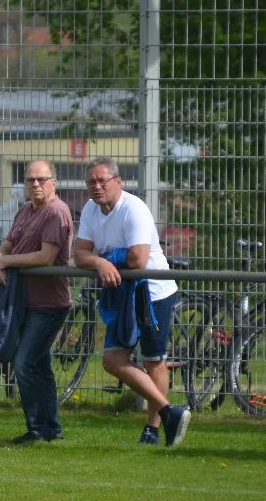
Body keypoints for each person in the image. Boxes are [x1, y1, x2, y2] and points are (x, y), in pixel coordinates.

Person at [73, 156, 190, 447]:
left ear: (118, 182)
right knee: (113, 360)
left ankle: (152, 429)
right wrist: (100, 263)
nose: (97, 186)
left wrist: (105, 257)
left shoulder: (134, 208)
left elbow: (138, 258)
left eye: (102, 180)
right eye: (91, 182)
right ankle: (169, 412)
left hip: (152, 293)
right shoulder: (90, 209)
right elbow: (80, 254)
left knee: (153, 360)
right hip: (121, 292)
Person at [0, 160, 73, 444]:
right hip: (24, 301)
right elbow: (7, 244)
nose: (35, 184)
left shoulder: (57, 212)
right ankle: (50, 429)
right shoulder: (24, 210)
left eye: (41, 179)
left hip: (49, 303)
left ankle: (37, 429)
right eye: (30, 180)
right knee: (39, 365)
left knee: (23, 362)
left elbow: (45, 257)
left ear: (53, 183)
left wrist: (5, 261)